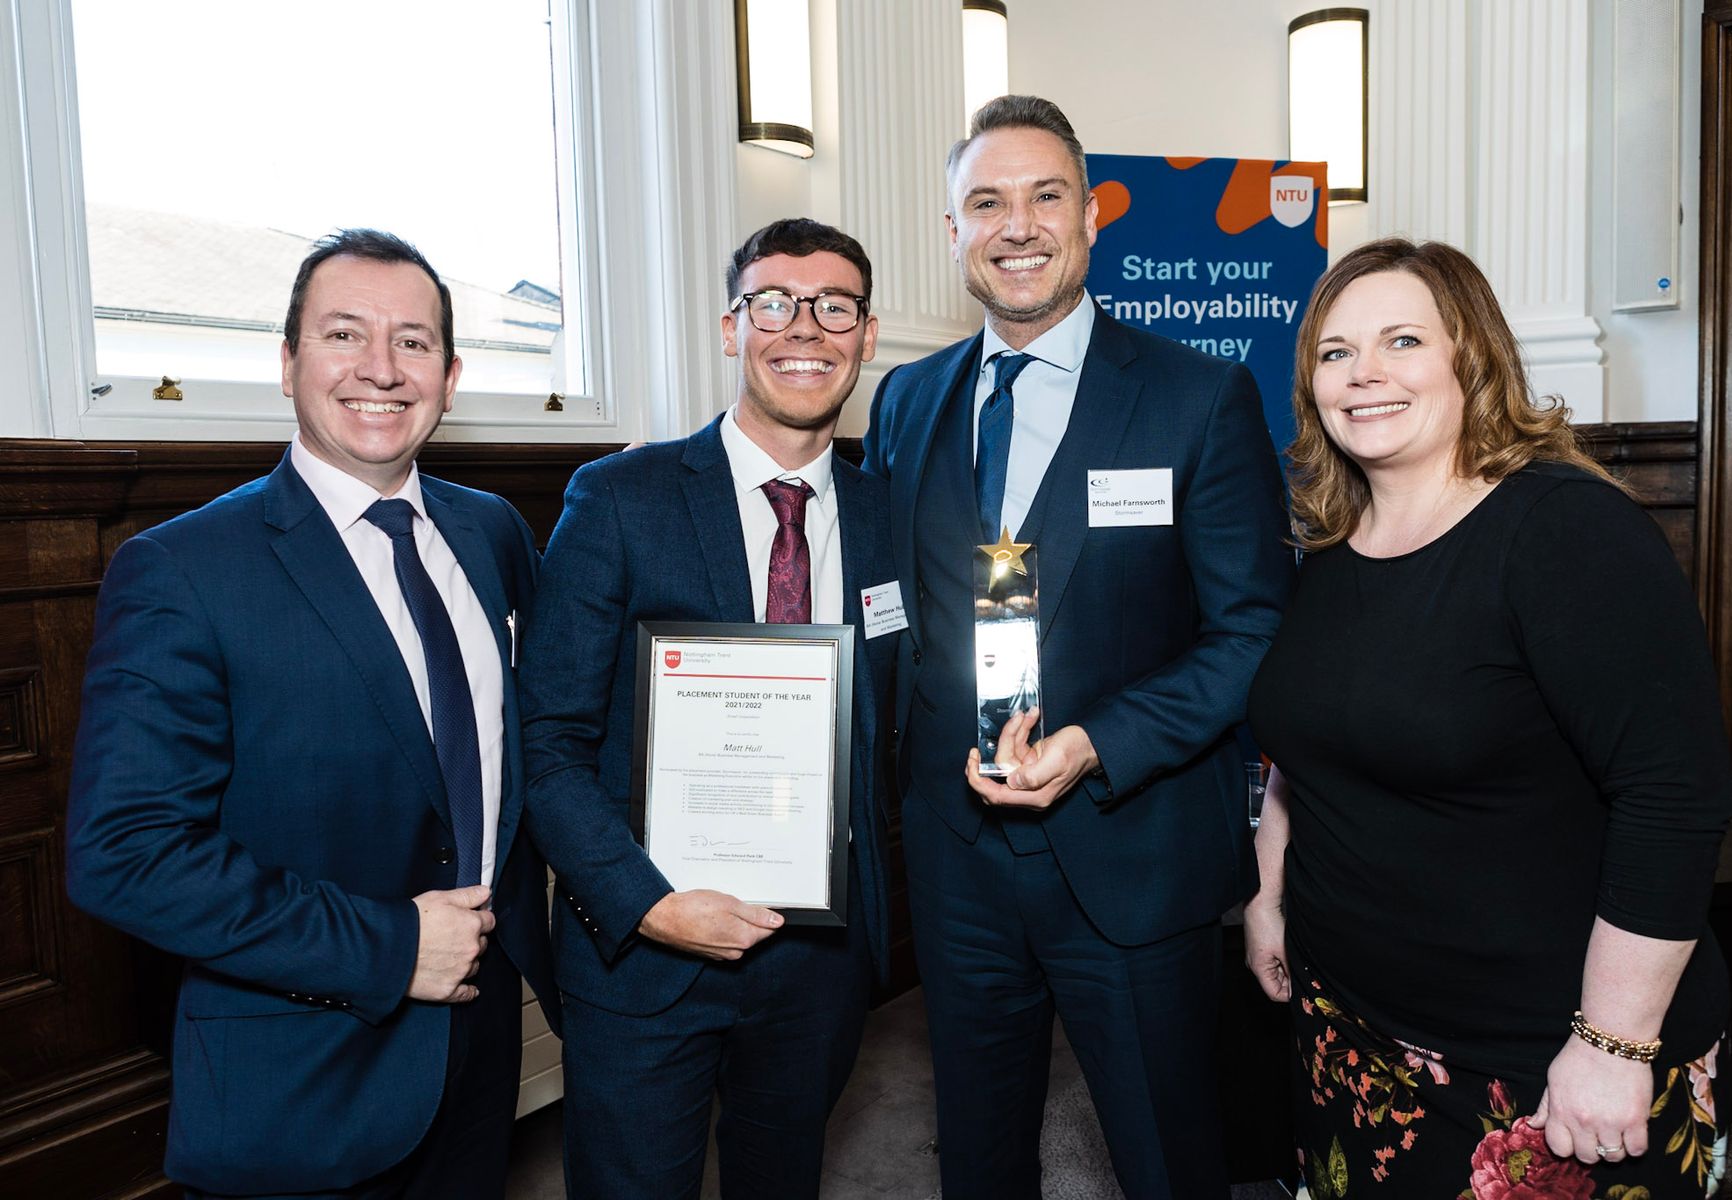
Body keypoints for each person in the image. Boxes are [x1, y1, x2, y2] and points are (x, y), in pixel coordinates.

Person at [65, 229, 558, 1199]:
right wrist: (391, 947)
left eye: (413, 342)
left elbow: (521, 752)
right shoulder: (183, 571)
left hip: (482, 1050)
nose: (382, 368)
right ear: (287, 361)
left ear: (451, 376)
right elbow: (124, 853)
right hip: (301, 1085)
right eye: (345, 334)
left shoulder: (492, 530)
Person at [862, 95, 1293, 1198]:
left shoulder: (1200, 397)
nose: (1017, 225)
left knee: (1164, 1156)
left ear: (1092, 216)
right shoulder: (909, 400)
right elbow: (897, 610)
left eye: (1045, 196)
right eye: (985, 202)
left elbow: (1254, 628)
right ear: (950, 230)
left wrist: (1100, 741)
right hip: (956, 862)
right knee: (979, 1151)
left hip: (1133, 852)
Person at [1244, 237, 1732, 1196]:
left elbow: (1674, 797)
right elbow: (1308, 747)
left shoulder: (1566, 530)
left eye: (1401, 341)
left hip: (1543, 1061)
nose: (1364, 373)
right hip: (1352, 1032)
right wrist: (1269, 893)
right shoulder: (1333, 548)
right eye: (1335, 352)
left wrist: (1611, 1045)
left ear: (1473, 357)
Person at [520, 218, 898, 1199]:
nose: (803, 327)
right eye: (774, 301)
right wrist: (646, 903)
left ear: (864, 333)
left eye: (834, 306)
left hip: (819, 961)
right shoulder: (619, 498)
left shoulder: (889, 518)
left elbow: (905, 729)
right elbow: (548, 740)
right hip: (647, 954)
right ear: (732, 327)